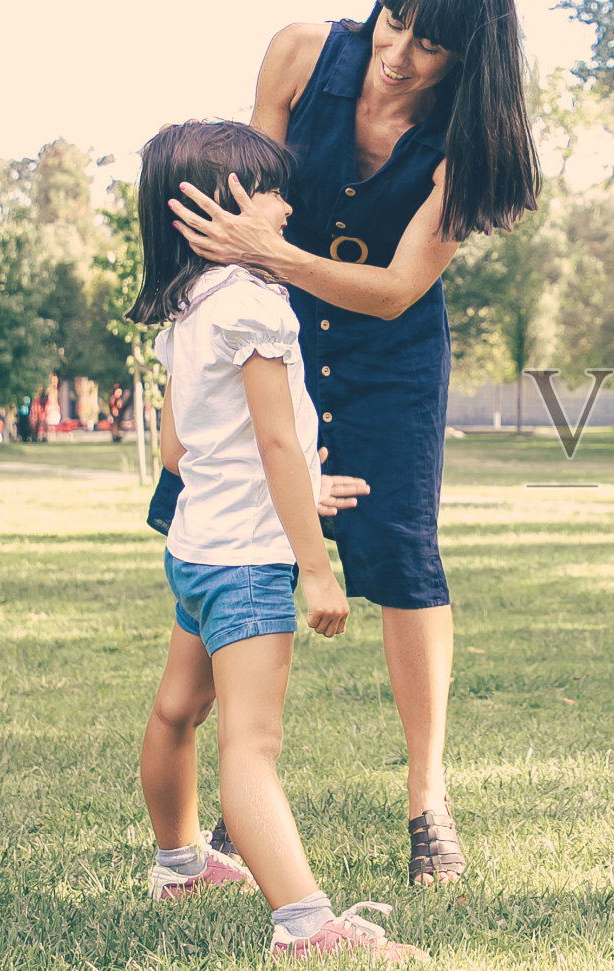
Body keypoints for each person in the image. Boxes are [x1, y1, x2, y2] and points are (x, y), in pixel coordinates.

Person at [164, 0, 540, 885]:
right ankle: (222, 811)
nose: (397, 51)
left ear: (471, 55)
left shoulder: (473, 140)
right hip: (270, 334)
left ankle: (428, 801)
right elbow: (244, 202)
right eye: (394, 19)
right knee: (232, 533)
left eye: (429, 43)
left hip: (388, 354)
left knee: (406, 561)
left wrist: (271, 256)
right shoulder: (299, 54)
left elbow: (395, 288)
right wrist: (194, 368)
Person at [129, 120, 424, 961]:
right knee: (252, 746)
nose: (288, 203)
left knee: (176, 711)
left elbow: (186, 453)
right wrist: (318, 569)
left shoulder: (185, 307)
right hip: (249, 564)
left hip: (195, 551)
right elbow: (276, 444)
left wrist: (298, 484)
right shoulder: (255, 303)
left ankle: (180, 864)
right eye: (270, 189)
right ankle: (306, 926)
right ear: (226, 206)